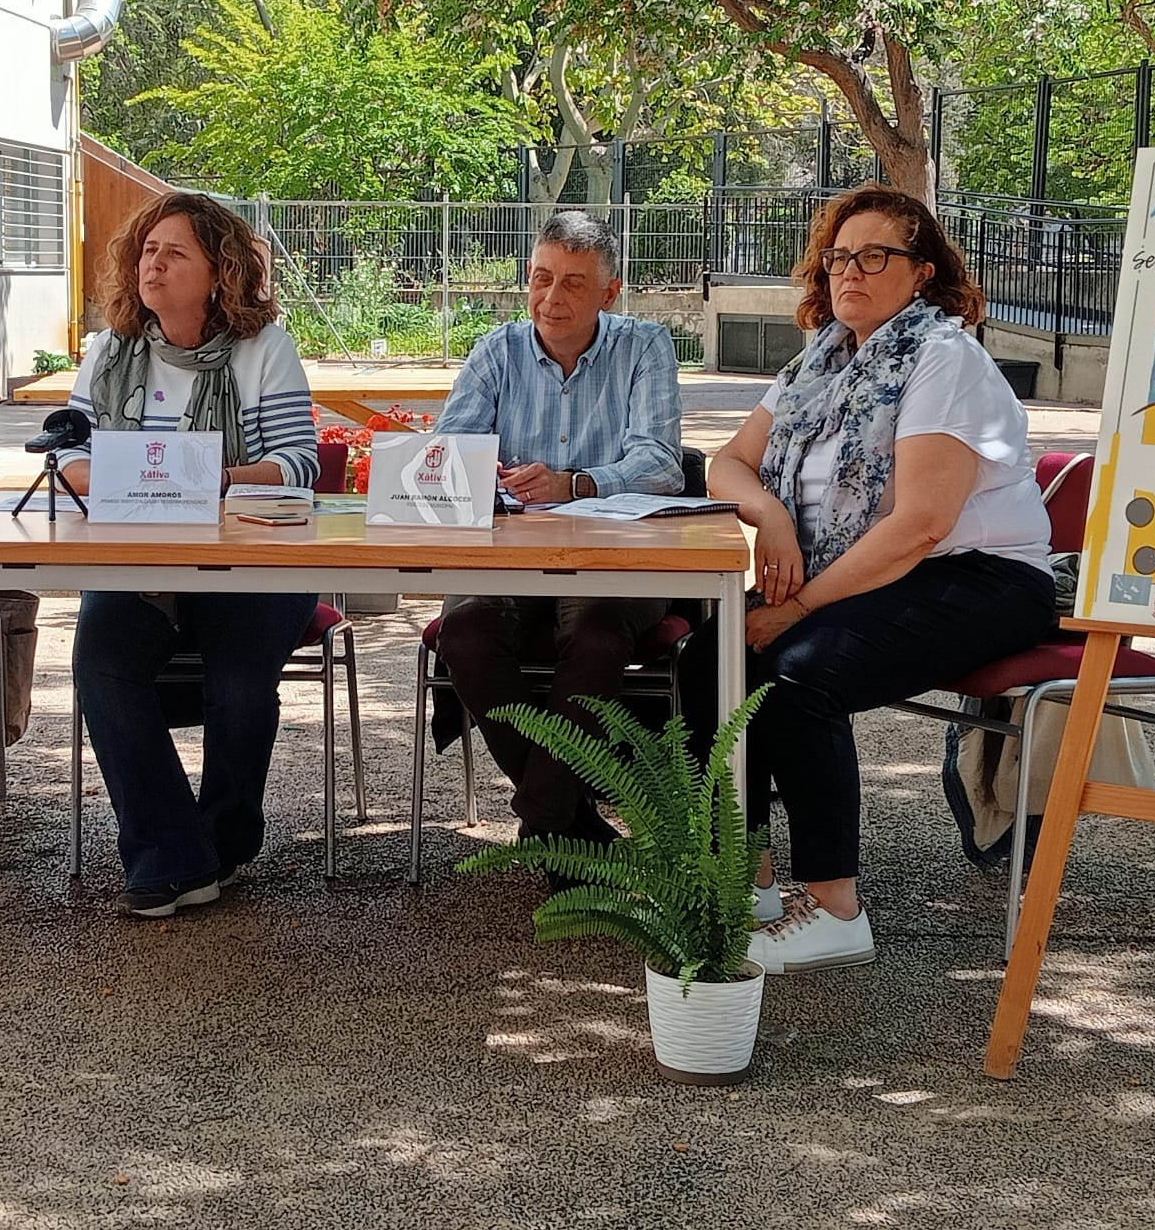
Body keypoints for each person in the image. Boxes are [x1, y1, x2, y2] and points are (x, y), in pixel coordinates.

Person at [680, 184, 1056, 974]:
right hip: (868, 574)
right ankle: (745, 882)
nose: (850, 272)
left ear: (922, 272)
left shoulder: (943, 358)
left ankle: (836, 909)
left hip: (981, 578)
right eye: (839, 257)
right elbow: (728, 463)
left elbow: (922, 523)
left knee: (797, 676)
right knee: (708, 657)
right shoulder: (821, 361)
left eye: (874, 256)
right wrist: (773, 520)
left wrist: (802, 606)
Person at [61, 191, 319, 917]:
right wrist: (96, 472)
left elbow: (297, 463)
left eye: (174, 252)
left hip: (251, 562)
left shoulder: (262, 348)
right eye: (146, 250)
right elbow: (72, 453)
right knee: (99, 659)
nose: (154, 264)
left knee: (238, 682)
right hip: (138, 560)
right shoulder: (110, 351)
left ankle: (225, 840)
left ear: (219, 271)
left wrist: (203, 480)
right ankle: (170, 854)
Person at [433, 209, 684, 846]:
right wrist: (490, 479)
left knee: (599, 633)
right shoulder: (498, 350)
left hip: (613, 555)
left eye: (573, 283)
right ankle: (567, 820)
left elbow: (661, 463)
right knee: (463, 632)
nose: (551, 297)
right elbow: (448, 456)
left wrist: (575, 483)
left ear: (609, 292)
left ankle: (545, 818)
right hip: (509, 556)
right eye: (542, 277)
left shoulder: (645, 346)